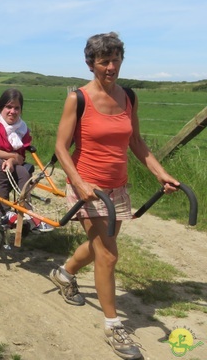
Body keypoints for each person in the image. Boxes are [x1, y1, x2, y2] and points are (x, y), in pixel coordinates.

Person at [50, 32, 179, 360]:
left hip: (117, 188)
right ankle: (113, 325)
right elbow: (61, 148)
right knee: (108, 255)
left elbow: (135, 141)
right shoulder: (78, 99)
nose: (111, 66)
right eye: (104, 61)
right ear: (90, 63)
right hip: (88, 190)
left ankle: (64, 273)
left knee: (99, 250)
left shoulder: (129, 97)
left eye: (116, 59)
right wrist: (78, 183)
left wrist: (160, 173)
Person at [0, 88, 53, 233]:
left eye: (16, 108)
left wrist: (12, 161)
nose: (12, 111)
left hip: (7, 160)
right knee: (0, 166)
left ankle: (28, 214)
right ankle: (5, 213)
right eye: (8, 106)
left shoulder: (21, 128)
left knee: (24, 173)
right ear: (1, 107)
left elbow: (20, 157)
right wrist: (10, 157)